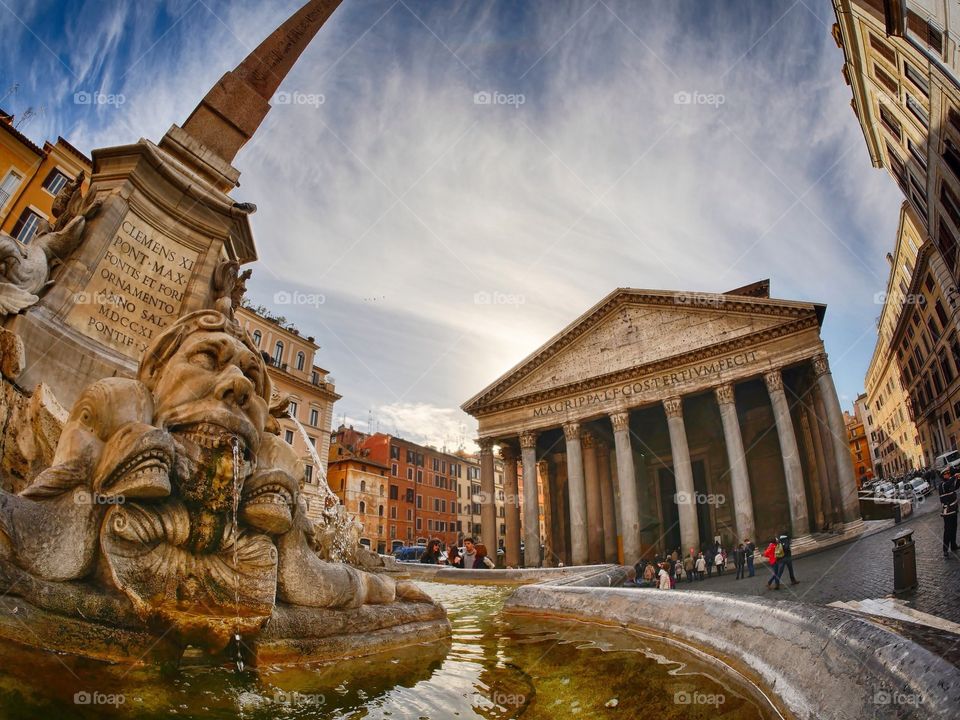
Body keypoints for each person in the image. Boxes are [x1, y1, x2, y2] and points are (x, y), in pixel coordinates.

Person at [939, 468, 959, 557]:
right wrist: (954, 477)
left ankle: (953, 545)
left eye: (948, 474)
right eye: (946, 474)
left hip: (954, 510)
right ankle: (945, 549)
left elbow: (957, 486)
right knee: (947, 531)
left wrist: (958, 478)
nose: (948, 475)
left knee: (954, 528)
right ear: (943, 476)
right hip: (947, 511)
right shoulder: (942, 485)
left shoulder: (950, 483)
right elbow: (948, 484)